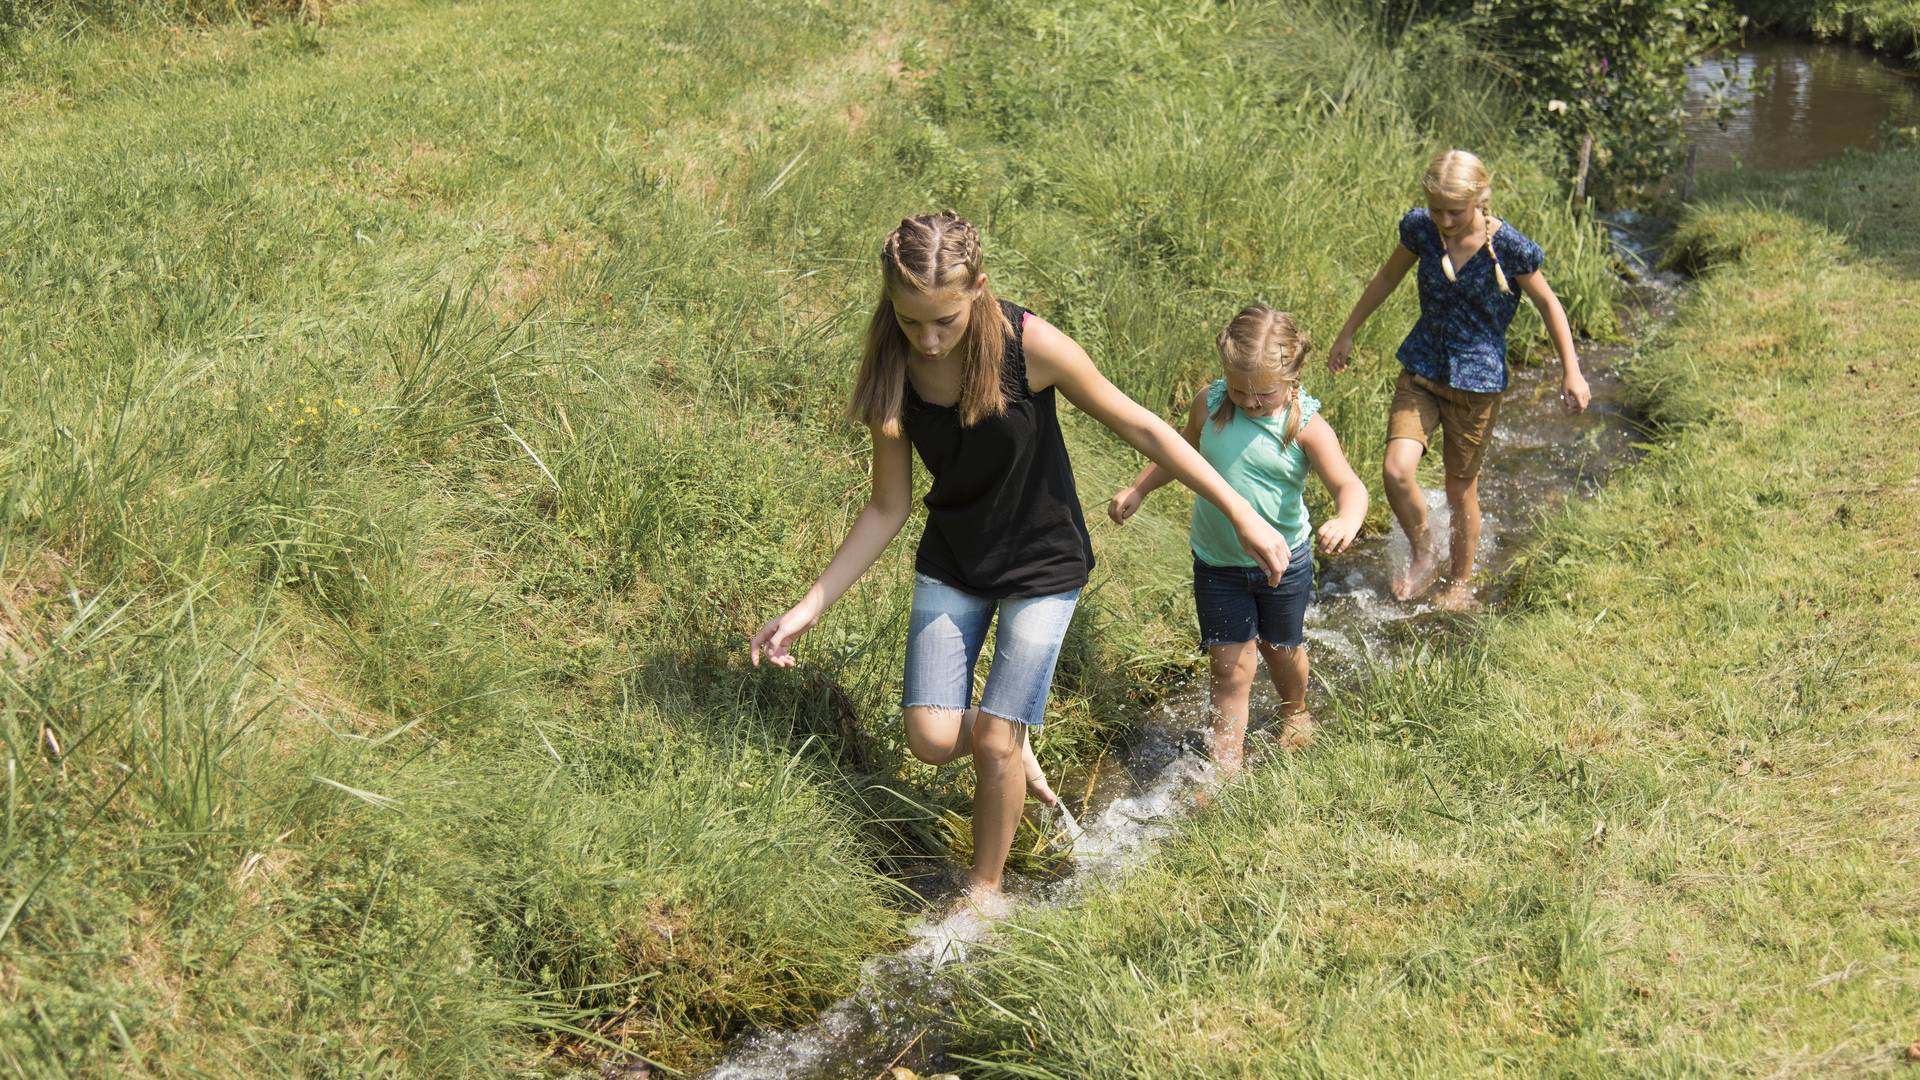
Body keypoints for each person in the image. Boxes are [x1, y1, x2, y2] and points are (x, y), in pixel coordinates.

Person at [749, 211, 1291, 905]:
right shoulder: (893, 362)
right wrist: (806, 608)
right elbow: (888, 506)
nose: (930, 339)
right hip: (955, 559)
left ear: (977, 287)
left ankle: (985, 894)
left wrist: (1240, 512)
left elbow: (1141, 424)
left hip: (1044, 564)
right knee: (931, 737)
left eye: (944, 319)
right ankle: (1007, 738)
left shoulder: (1026, 345)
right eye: (912, 321)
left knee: (998, 740)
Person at [1107, 305, 1367, 776]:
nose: (1249, 402)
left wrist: (1347, 517)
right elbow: (1180, 452)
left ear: (1293, 377)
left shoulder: (1306, 426)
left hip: (1282, 562)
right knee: (1229, 668)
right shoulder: (1211, 403)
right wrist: (1140, 487)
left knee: (1281, 649)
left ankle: (1295, 709)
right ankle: (1227, 762)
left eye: (1263, 393)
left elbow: (1350, 486)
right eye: (1240, 389)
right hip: (1217, 563)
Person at [1326, 149, 1592, 607]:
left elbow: (1549, 304)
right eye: (1436, 209)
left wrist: (1572, 369)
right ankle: (1425, 552)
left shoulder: (1508, 248)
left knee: (1458, 488)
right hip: (1423, 367)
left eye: (1455, 210)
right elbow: (1386, 278)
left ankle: (1460, 582)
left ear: (1480, 200)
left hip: (1477, 383)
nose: (1445, 221)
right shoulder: (1421, 231)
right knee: (1396, 469)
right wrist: (1348, 331)